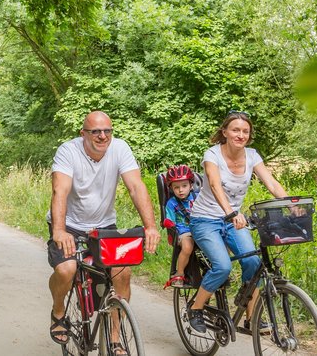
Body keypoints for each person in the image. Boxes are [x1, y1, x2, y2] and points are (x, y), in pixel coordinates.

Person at [47, 111, 160, 350]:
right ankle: (58, 311)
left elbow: (136, 187)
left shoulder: (120, 149)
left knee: (122, 272)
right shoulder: (68, 151)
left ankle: (115, 338)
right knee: (67, 269)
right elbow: (60, 191)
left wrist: (150, 227)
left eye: (107, 131)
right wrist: (59, 230)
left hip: (103, 225)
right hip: (69, 225)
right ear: (83, 134)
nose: (102, 136)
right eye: (95, 131)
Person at [186, 111, 292, 334]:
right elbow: (215, 185)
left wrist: (290, 203)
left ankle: (250, 317)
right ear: (224, 132)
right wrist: (231, 213)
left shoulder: (252, 156)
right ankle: (195, 308)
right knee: (223, 266)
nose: (240, 135)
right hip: (205, 219)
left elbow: (271, 183)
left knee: (254, 263)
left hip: (233, 220)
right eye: (235, 130)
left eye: (245, 131)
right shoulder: (212, 154)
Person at [161, 165, 197, 289]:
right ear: (171, 188)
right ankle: (180, 273)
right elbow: (169, 219)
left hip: (200, 228)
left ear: (191, 185)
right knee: (187, 246)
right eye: (176, 187)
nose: (180, 190)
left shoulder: (198, 198)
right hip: (183, 232)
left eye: (184, 186)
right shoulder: (171, 203)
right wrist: (168, 223)